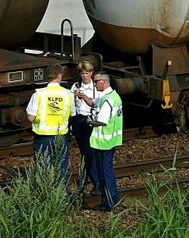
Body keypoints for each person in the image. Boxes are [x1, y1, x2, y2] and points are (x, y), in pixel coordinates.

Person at [26, 63, 73, 181]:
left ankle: (46, 196)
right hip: (61, 135)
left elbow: (31, 117)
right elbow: (72, 113)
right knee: (61, 168)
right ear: (59, 76)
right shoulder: (68, 94)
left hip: (42, 137)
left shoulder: (38, 94)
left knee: (43, 169)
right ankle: (62, 196)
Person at [88, 72, 123, 212]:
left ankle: (108, 202)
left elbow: (102, 120)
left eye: (96, 81)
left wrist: (90, 122)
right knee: (108, 171)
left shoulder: (107, 100)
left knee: (104, 173)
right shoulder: (113, 96)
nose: (94, 84)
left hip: (103, 142)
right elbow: (94, 103)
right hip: (110, 140)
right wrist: (83, 97)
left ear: (104, 82)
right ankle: (113, 197)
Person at [69, 60, 99, 193]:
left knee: (88, 153)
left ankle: (87, 182)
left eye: (86, 73)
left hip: (89, 121)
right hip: (77, 120)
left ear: (91, 73)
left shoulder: (95, 88)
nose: (84, 76)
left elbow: (97, 104)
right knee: (84, 152)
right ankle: (91, 182)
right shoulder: (75, 86)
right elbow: (71, 104)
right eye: (82, 74)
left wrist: (85, 98)